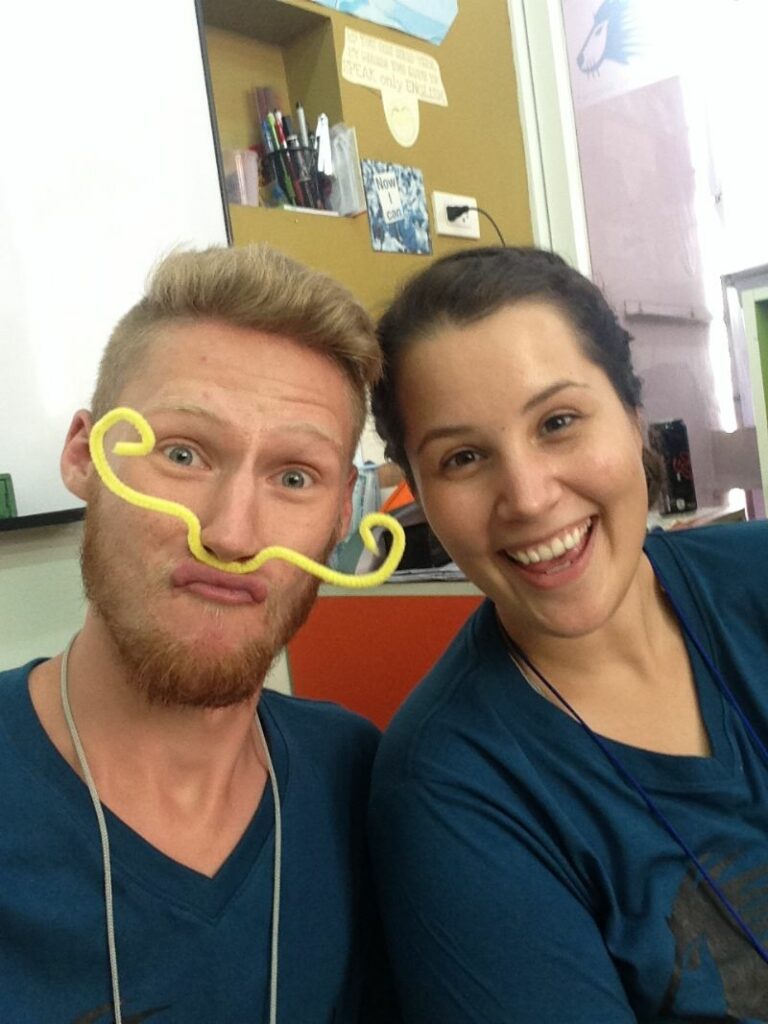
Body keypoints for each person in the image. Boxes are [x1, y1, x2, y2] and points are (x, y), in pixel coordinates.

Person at [367, 246, 768, 1022]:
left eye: (557, 422)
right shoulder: (452, 790)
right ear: (419, 498)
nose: (526, 496)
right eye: (463, 457)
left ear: (635, 418)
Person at [0, 244, 397, 1023]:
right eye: (183, 453)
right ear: (83, 456)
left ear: (341, 512)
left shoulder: (367, 784)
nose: (231, 536)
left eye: (294, 477)